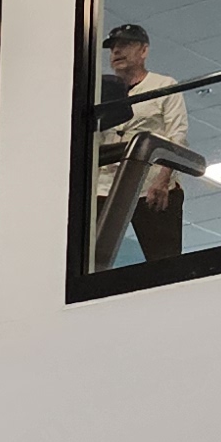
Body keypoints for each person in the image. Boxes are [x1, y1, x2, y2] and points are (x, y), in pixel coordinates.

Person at [93, 24, 189, 264]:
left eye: (125, 45)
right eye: (113, 48)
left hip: (150, 183)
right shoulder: (99, 92)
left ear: (143, 51)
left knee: (163, 260)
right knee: (88, 259)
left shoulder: (164, 85)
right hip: (104, 187)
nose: (116, 52)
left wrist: (163, 180)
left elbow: (177, 136)